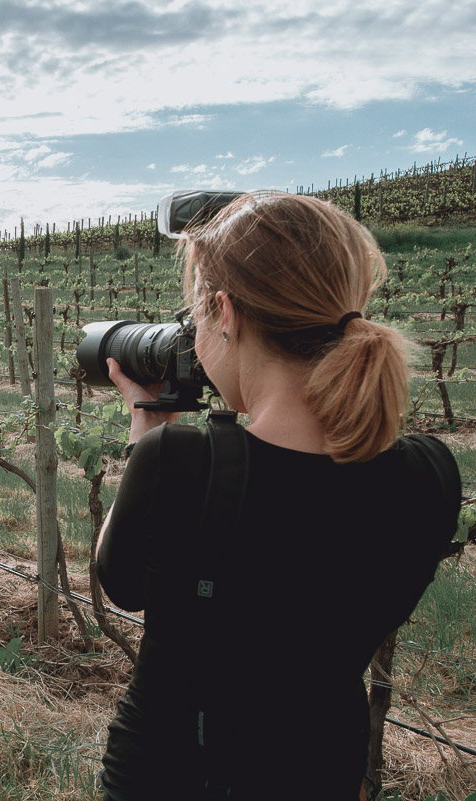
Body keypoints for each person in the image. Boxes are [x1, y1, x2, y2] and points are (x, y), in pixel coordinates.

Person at [96, 193, 461, 800]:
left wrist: (147, 434)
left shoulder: (182, 464)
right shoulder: (430, 474)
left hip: (170, 778)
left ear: (225, 312)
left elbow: (123, 583)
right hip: (325, 774)